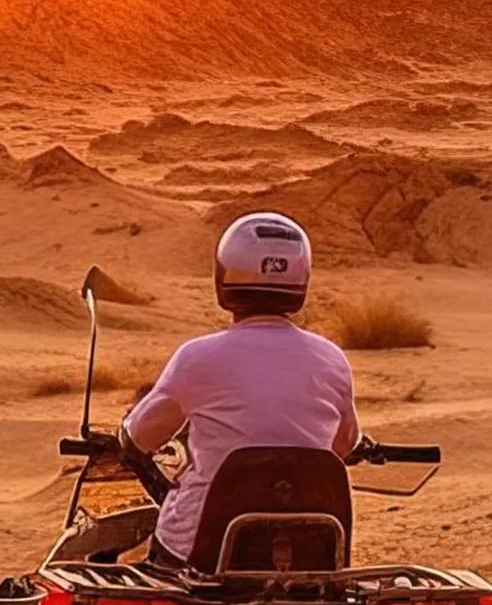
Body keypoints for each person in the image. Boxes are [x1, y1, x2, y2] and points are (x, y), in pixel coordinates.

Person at [120, 211, 360, 569]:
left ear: (223, 278)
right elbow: (343, 445)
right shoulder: (332, 359)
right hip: (311, 548)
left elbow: (140, 436)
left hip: (202, 551)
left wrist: (126, 430)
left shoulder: (197, 357)